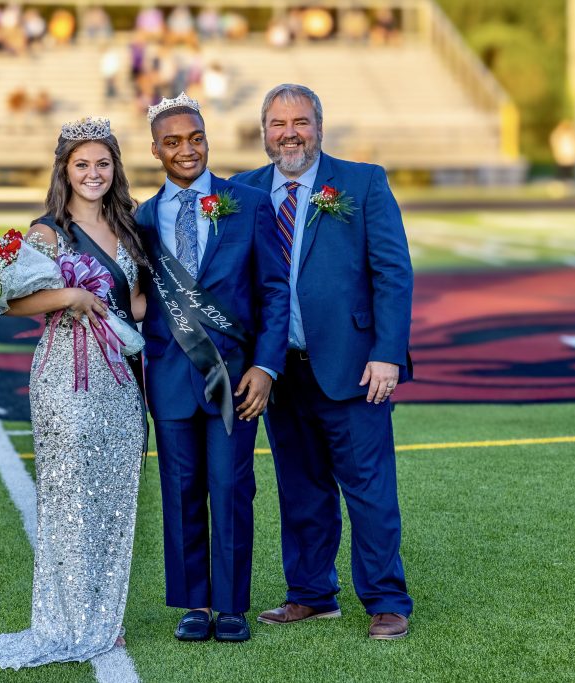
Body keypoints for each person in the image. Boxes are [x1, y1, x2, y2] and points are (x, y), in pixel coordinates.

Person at [0, 117, 147, 668]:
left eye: (103, 163)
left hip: (121, 379)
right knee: (68, 500)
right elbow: (12, 303)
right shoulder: (46, 233)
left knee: (115, 498)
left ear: (115, 169)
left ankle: (104, 618)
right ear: (66, 170)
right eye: (82, 164)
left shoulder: (129, 230)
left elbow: (139, 305)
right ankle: (67, 618)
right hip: (65, 373)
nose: (93, 173)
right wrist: (70, 295)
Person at [230, 83, 414, 640]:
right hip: (279, 370)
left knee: (369, 489)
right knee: (301, 487)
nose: (290, 133)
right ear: (264, 132)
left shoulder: (363, 182)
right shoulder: (242, 190)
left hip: (353, 366)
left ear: (319, 126)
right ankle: (311, 594)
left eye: (301, 122)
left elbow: (392, 272)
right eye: (278, 123)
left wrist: (387, 354)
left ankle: (386, 599)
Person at [134, 93, 290, 643]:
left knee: (230, 486)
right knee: (180, 490)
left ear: (207, 139)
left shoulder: (246, 203)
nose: (186, 149)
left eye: (195, 138)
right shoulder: (141, 219)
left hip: (235, 379)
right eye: (172, 141)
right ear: (155, 149)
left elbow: (274, 292)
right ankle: (195, 604)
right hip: (171, 377)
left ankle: (230, 605)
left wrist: (267, 367)